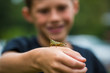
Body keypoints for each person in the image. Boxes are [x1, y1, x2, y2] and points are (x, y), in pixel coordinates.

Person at [0, 0, 107, 73]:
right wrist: (37, 59)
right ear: (28, 14)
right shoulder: (20, 45)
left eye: (61, 8)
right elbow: (3, 64)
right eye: (43, 11)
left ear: (75, 7)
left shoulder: (89, 57)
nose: (54, 18)